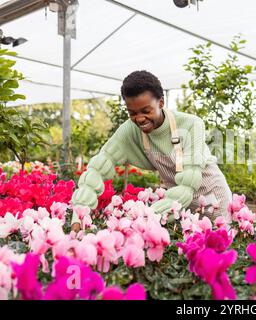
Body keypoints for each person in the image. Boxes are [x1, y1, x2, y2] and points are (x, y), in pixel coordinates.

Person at [71, 70, 231, 231]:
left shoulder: (191, 125)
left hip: (212, 199)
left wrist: (144, 217)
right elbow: (97, 169)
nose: (139, 118)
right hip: (177, 206)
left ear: (161, 103)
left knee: (218, 247)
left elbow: (188, 184)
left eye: (146, 111)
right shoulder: (130, 131)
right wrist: (78, 217)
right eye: (132, 113)